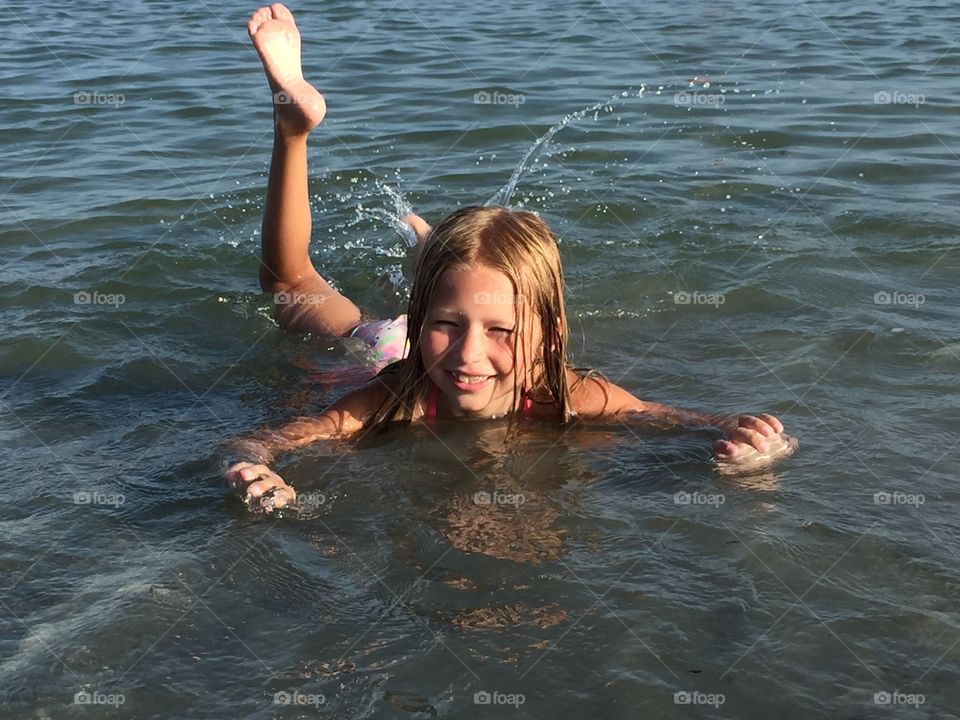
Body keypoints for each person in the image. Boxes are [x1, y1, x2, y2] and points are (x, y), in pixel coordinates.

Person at [224, 3, 797, 512]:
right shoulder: (387, 400)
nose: (471, 353)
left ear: (548, 337)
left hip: (421, 338)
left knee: (432, 284)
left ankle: (433, 256)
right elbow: (259, 441)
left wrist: (755, 444)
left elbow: (688, 422)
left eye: (501, 329)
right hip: (388, 351)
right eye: (448, 326)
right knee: (289, 282)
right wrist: (253, 467)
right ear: (425, 324)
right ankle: (292, 130)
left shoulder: (565, 394)